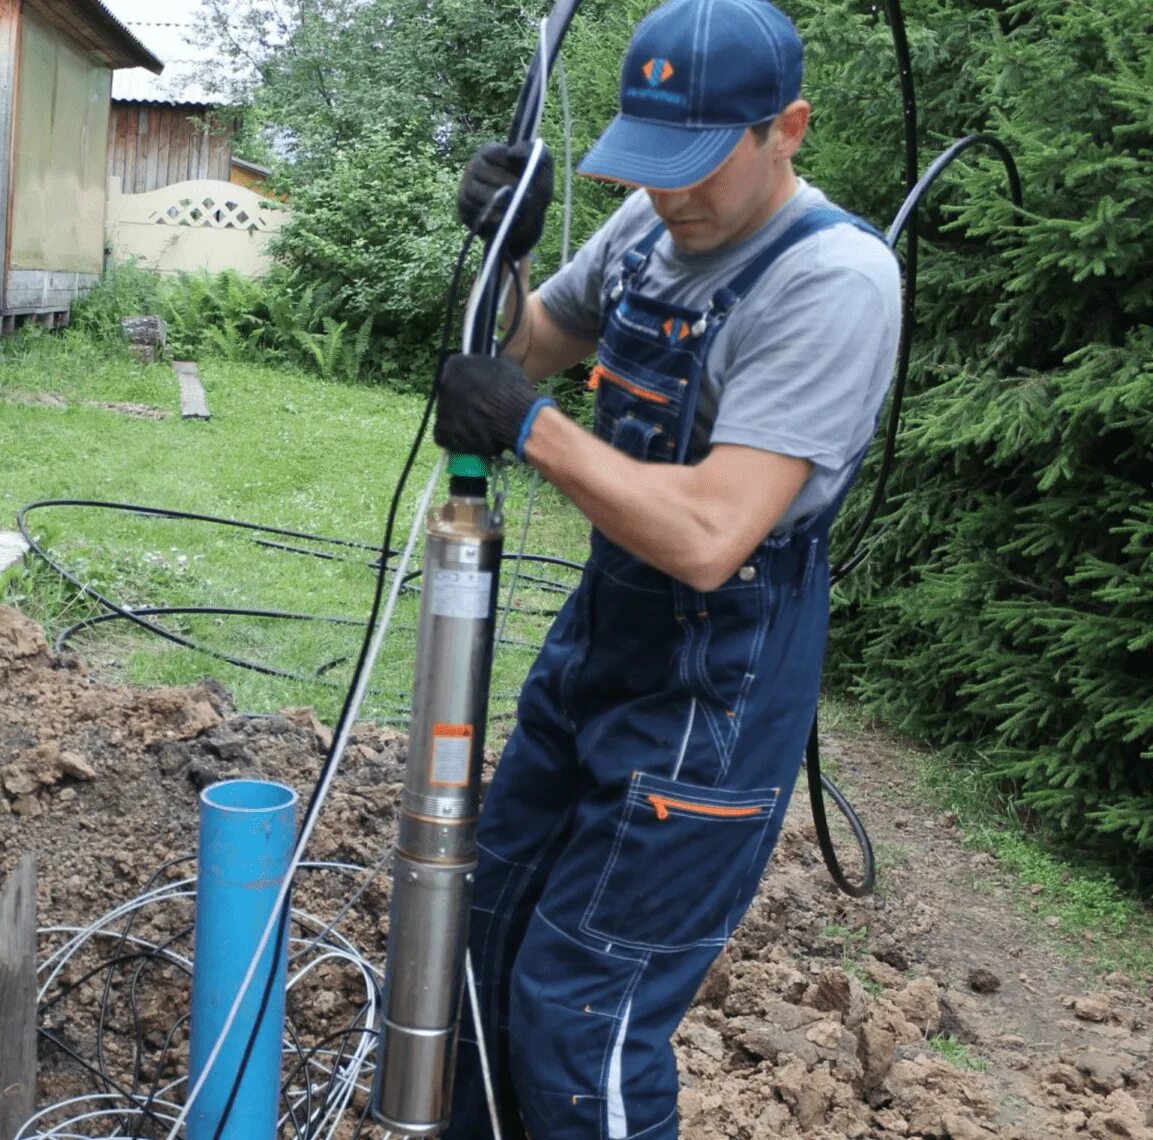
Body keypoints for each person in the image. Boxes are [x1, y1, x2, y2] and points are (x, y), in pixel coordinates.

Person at [433, 0, 902, 1136]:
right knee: (479, 942)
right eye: (650, 163)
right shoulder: (649, 227)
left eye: (697, 164)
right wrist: (512, 249)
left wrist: (532, 429)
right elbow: (527, 349)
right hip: (603, 638)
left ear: (785, 127)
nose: (670, 193)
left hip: (721, 683)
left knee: (579, 1015)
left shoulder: (832, 280)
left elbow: (708, 535)